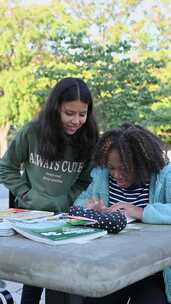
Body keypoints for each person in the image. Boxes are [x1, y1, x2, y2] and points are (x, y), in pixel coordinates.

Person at [0, 77, 99, 304]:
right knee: (32, 276)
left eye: (82, 114)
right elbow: (6, 168)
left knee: (57, 277)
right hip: (28, 215)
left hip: (62, 218)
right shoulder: (32, 133)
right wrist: (26, 194)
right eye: (69, 113)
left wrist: (67, 198)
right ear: (55, 109)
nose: (76, 120)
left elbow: (84, 181)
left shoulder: (89, 140)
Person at [74, 122, 171, 304]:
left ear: (142, 163)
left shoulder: (164, 176)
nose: (117, 175)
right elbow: (79, 203)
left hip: (153, 271)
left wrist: (141, 212)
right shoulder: (102, 176)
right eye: (112, 168)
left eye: (124, 168)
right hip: (111, 264)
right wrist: (90, 209)